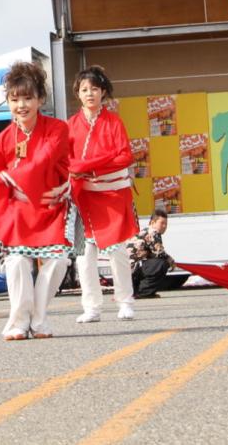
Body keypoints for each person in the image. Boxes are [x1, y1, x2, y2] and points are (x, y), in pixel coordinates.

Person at [0, 61, 72, 341]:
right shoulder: (2, 141)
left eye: (28, 97)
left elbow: (41, 162)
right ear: (8, 101)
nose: (21, 104)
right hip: (19, 210)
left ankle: (39, 319)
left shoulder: (57, 129)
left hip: (51, 206)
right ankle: (19, 321)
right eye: (14, 98)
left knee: (57, 262)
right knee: (18, 261)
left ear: (40, 99)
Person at [67, 66, 139, 323]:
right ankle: (92, 307)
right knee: (85, 255)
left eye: (94, 89)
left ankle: (125, 300)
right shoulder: (71, 125)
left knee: (117, 250)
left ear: (103, 92)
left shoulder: (114, 121)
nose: (90, 94)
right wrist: (84, 168)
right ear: (78, 93)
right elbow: (67, 161)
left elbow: (126, 156)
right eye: (84, 90)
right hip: (84, 196)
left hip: (112, 194)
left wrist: (93, 165)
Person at [130, 209, 174, 299]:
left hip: (130, 272)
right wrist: (171, 261)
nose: (164, 226)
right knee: (162, 264)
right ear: (153, 222)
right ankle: (143, 292)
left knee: (158, 263)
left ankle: (138, 291)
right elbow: (159, 253)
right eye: (162, 223)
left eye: (166, 224)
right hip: (132, 271)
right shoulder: (153, 232)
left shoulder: (146, 231)